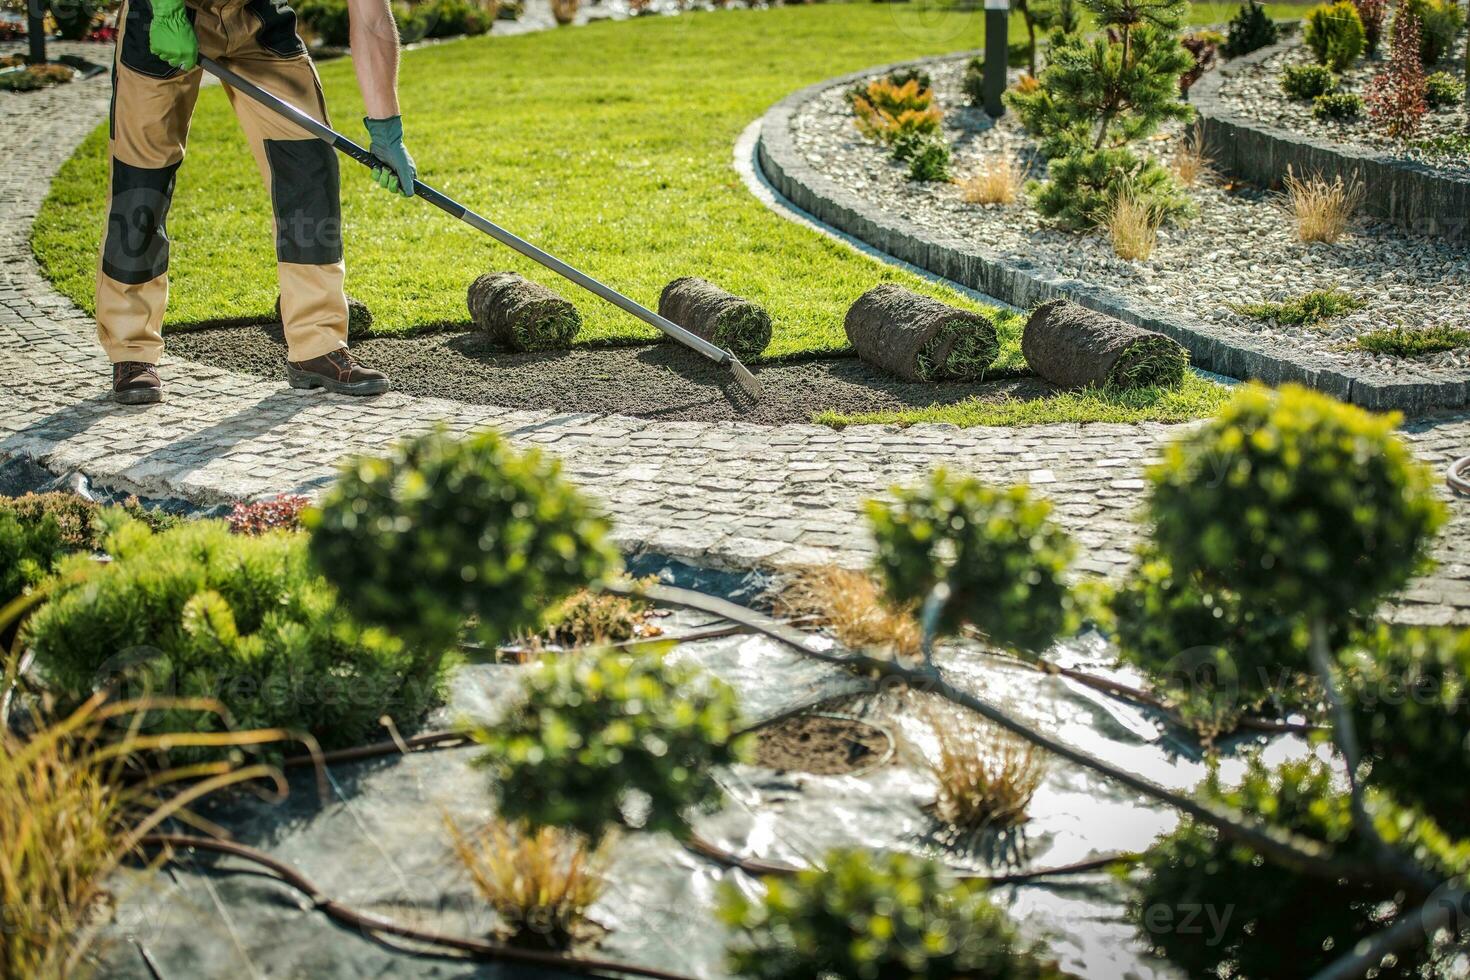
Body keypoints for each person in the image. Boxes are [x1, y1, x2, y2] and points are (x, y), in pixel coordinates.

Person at [98, 0, 416, 404]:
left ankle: (317, 344)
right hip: (169, 13)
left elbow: (371, 20)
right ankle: (131, 350)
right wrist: (165, 11)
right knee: (142, 177)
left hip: (257, 17)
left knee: (308, 165)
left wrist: (387, 129)